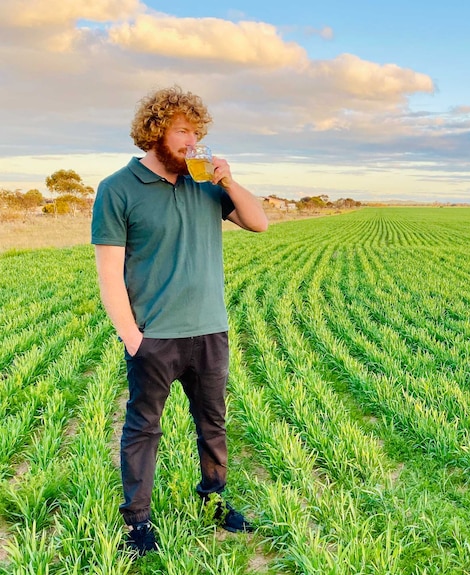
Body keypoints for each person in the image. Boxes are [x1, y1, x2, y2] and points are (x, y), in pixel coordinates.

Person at [91, 86, 268, 557]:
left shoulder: (207, 183)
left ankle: (213, 500)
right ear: (155, 132)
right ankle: (137, 522)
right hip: (155, 336)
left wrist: (229, 181)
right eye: (182, 131)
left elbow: (260, 223)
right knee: (144, 427)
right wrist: (132, 337)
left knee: (212, 422)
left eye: (197, 132)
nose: (192, 142)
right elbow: (109, 271)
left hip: (210, 330)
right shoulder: (117, 189)